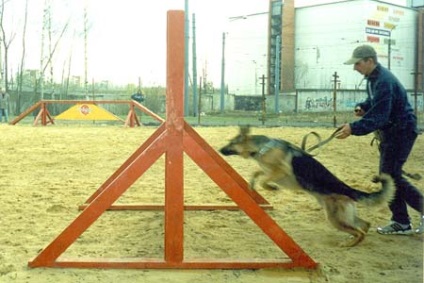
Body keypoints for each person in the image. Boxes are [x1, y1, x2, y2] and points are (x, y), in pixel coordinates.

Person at [336, 44, 424, 235]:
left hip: (401, 132)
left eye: (357, 63)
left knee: (390, 177)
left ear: (370, 61)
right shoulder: (374, 79)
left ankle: (403, 220)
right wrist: (363, 106)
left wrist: (353, 128)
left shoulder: (383, 80)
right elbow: (376, 103)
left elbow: (381, 116)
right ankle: (401, 222)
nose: (354, 68)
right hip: (392, 132)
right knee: (390, 176)